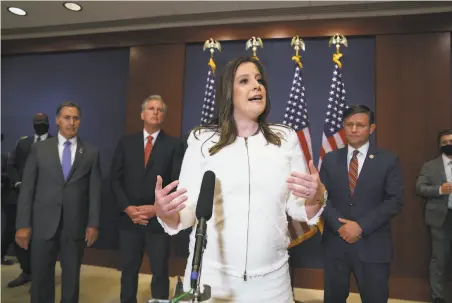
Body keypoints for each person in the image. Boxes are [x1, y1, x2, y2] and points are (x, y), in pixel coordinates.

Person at [153, 57, 327, 302]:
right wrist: (165, 212)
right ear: (228, 93)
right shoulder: (202, 140)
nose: (257, 86)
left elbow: (298, 208)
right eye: (244, 81)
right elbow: (187, 212)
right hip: (213, 278)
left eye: (259, 80)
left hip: (272, 281)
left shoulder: (284, 138)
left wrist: (315, 197)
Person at [15, 102, 102, 303]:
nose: (71, 122)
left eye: (76, 118)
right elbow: (27, 189)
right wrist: (22, 224)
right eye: (67, 117)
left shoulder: (90, 152)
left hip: (75, 226)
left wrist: (93, 223)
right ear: (57, 120)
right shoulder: (39, 149)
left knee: (71, 279)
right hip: (43, 225)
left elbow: (95, 191)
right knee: (41, 279)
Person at [319, 105, 404, 303]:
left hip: (372, 245)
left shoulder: (388, 160)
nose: (354, 129)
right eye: (349, 124)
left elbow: (395, 201)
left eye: (360, 125)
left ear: (371, 128)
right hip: (336, 244)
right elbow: (321, 198)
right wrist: (340, 227)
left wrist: (360, 227)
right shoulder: (331, 159)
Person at [110, 95, 185, 303]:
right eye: (151, 109)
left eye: (160, 110)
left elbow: (176, 182)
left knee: (160, 271)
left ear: (163, 116)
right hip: (129, 220)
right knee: (128, 271)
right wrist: (127, 208)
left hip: (158, 221)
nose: (155, 112)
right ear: (143, 114)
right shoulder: (126, 143)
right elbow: (115, 180)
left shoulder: (174, 145)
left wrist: (155, 209)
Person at [5, 113, 53, 287]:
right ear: (32, 125)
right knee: (18, 235)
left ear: (49, 124)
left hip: (46, 199)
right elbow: (11, 165)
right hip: (20, 197)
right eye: (37, 123)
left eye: (43, 123)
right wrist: (18, 182)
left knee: (43, 238)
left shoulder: (57, 143)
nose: (40, 125)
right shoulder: (23, 142)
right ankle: (27, 271)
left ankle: (42, 274)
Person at [416, 129, 452, 303]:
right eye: (444, 142)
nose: (448, 145)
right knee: (439, 260)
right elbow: (420, 188)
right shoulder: (430, 166)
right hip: (440, 219)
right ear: (439, 145)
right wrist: (439, 190)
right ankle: (437, 298)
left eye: (451, 141)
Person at [1, 133, 15, 266]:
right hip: (6, 197)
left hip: (5, 197)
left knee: (10, 227)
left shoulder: (5, 156)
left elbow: (7, 174)